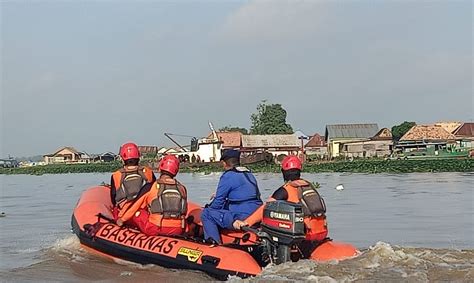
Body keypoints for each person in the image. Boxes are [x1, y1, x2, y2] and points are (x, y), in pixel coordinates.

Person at [236, 155, 328, 242]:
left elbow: (265, 208)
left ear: (284, 172)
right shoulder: (308, 185)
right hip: (321, 230)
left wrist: (246, 222)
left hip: (306, 233)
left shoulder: (284, 190)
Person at [201, 149, 262, 244]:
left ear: (224, 163)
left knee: (207, 214)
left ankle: (214, 243)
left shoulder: (228, 176)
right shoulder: (249, 173)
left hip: (243, 215)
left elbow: (218, 203)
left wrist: (209, 207)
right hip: (256, 213)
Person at [116, 155, 187, 236]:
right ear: (176, 171)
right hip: (178, 229)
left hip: (156, 228)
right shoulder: (182, 188)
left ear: (160, 168)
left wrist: (121, 219)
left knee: (138, 212)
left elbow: (135, 206)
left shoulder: (150, 187)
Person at [110, 142, 156, 223]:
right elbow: (155, 193)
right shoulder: (148, 172)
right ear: (138, 157)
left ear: (123, 158)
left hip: (124, 214)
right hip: (144, 213)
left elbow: (113, 198)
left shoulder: (116, 175)